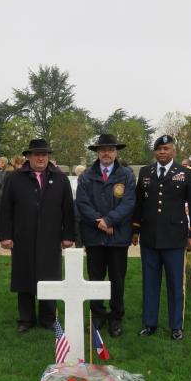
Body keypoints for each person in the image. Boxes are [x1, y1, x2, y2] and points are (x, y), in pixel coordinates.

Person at [0, 139, 75, 333]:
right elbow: (5, 208)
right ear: (28, 156)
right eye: (36, 154)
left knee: (49, 276)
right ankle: (26, 318)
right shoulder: (14, 178)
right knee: (24, 276)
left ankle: (48, 318)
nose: (41, 158)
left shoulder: (60, 178)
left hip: (51, 237)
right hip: (23, 236)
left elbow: (68, 210)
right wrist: (5, 235)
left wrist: (68, 235)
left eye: (44, 154)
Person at [132, 135, 191, 341]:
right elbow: (139, 203)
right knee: (150, 282)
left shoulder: (185, 173)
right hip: (150, 237)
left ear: (173, 151)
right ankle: (149, 323)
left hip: (175, 238)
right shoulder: (146, 172)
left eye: (166, 148)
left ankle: (176, 326)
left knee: (175, 284)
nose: (162, 152)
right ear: (154, 152)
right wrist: (135, 229)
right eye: (159, 149)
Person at [76, 134, 136, 337]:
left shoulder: (126, 174)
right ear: (97, 152)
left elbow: (128, 203)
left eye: (110, 149)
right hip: (94, 237)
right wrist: (100, 223)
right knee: (95, 278)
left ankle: (116, 317)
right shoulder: (86, 176)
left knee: (117, 280)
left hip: (118, 237)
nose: (106, 153)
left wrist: (109, 221)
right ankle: (98, 316)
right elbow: (82, 204)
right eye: (103, 150)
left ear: (116, 152)